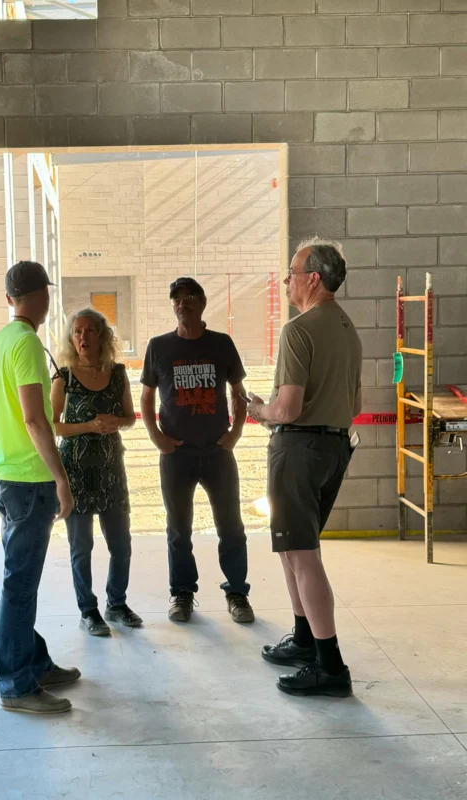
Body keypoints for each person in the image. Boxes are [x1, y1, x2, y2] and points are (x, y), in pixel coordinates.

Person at [247, 237, 362, 698]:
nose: (287, 281)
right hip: (333, 449)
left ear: (312, 278)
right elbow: (355, 403)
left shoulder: (299, 329)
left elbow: (289, 408)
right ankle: (303, 638)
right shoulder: (347, 328)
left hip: (298, 450)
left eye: (293, 274)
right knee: (295, 549)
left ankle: (329, 664)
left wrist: (261, 410)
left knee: (303, 555)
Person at [0, 260, 80, 715]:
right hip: (29, 479)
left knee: (20, 582)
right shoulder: (24, 344)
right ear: (42, 296)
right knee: (19, 586)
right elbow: (34, 418)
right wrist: (61, 478)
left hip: (6, 474)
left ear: (9, 299)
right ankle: (17, 686)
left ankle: (33, 662)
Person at [141, 277, 254, 624]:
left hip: (217, 453)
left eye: (189, 298)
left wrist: (235, 432)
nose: (182, 304)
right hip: (176, 455)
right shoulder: (158, 347)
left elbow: (239, 391)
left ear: (203, 303)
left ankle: (237, 593)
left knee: (231, 527)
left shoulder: (221, 344)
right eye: (176, 299)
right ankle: (183, 594)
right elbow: (145, 397)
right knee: (178, 530)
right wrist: (156, 437)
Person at [50, 308, 141, 636]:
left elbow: (131, 416)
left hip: (111, 470)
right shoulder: (64, 376)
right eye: (77, 332)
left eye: (90, 331)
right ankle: (88, 610)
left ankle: (116, 603)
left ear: (102, 336)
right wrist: (88, 425)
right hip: (75, 471)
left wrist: (118, 423)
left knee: (121, 543)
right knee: (81, 546)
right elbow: (53, 426)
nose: (83, 337)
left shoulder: (117, 374)